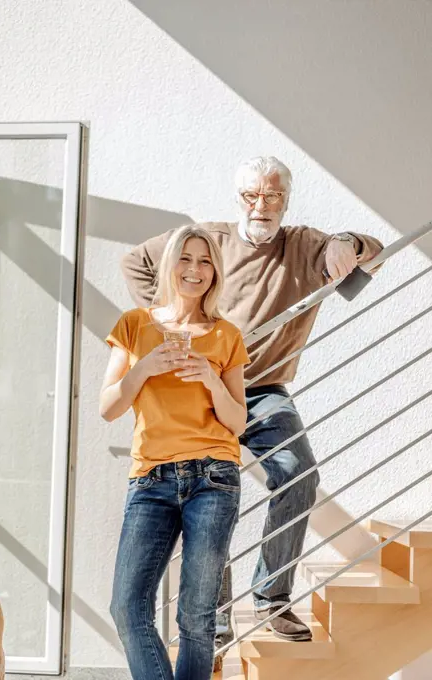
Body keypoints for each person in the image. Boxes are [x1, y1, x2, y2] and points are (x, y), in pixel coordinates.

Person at [120, 156, 383, 662]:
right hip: (202, 386)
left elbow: (374, 252)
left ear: (286, 199)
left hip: (262, 390)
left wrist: (348, 242)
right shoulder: (207, 241)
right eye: (251, 196)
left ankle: (271, 598)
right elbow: (135, 261)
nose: (261, 206)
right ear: (238, 197)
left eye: (272, 196)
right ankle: (213, 621)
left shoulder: (305, 245)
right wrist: (171, 320)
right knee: (208, 494)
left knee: (297, 473)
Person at [101, 225, 250, 680]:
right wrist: (143, 368)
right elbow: (108, 406)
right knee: (128, 606)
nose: (195, 270)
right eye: (186, 259)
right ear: (170, 265)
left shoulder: (227, 336)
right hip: (151, 479)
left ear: (215, 272)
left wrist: (209, 377)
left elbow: (238, 421)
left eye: (205, 261)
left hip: (214, 478)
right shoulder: (134, 324)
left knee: (197, 616)